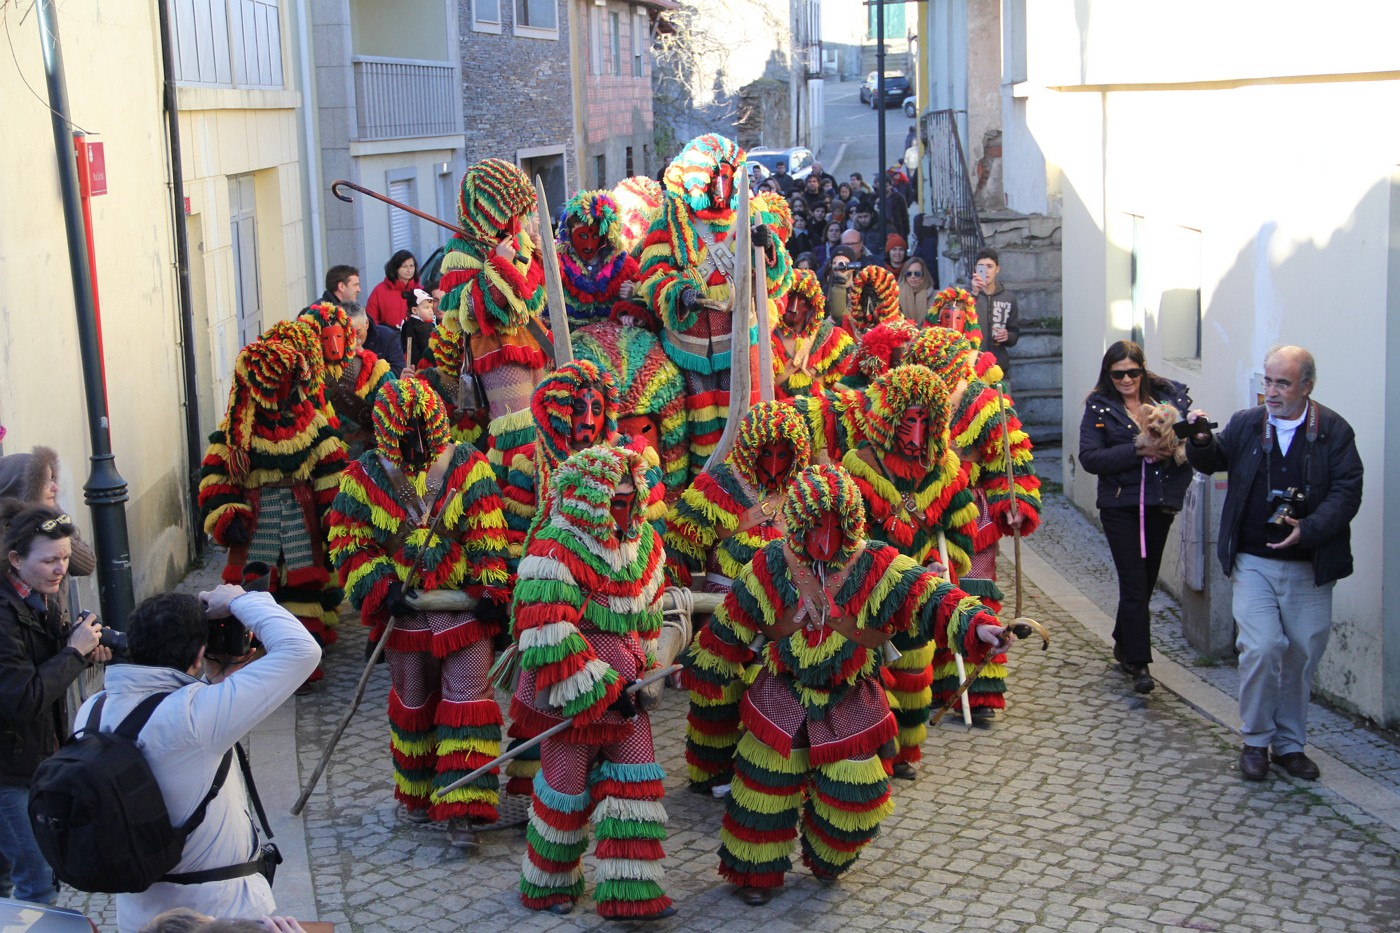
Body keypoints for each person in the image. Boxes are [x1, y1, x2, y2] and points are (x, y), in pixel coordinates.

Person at [684, 464, 1009, 905]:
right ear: (800, 520)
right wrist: (707, 666)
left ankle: (827, 856)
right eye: (818, 522)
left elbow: (931, 594)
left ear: (852, 520)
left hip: (850, 693)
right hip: (782, 688)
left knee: (855, 796)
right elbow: (734, 618)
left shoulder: (878, 562)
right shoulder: (772, 561)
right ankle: (754, 875)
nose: (827, 533)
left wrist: (979, 625)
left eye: (838, 523)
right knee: (762, 790)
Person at [75, 580, 319, 931]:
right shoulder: (194, 717)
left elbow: (167, 735)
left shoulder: (92, 710)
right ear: (198, 656)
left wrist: (214, 680)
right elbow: (301, 650)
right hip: (217, 914)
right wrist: (242, 600)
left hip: (138, 912)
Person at [327, 379, 511, 841]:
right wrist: (378, 586)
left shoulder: (470, 466)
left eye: (425, 437)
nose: (418, 447)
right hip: (405, 617)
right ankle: (420, 790)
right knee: (414, 703)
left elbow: (488, 529)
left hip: (464, 613)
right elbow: (350, 543)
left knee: (468, 700)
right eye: (407, 438)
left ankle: (464, 803)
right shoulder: (361, 479)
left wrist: (491, 588)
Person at [510, 446, 675, 920]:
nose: (623, 513)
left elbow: (649, 615)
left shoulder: (646, 545)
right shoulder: (554, 549)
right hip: (569, 691)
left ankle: (631, 893)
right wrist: (599, 692)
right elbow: (547, 634)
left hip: (627, 688)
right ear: (591, 499)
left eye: (629, 501)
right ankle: (549, 884)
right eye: (614, 502)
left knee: (634, 780)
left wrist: (645, 669)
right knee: (565, 785)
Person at [1185, 346, 1362, 782]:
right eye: (1267, 381)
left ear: (1307, 385)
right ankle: (1256, 741)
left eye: (1282, 383)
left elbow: (1347, 492)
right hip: (1254, 561)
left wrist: (1311, 528)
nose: (1271, 391)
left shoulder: (1334, 431)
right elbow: (1213, 461)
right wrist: (1201, 440)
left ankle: (1289, 745)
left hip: (1309, 563)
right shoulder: (1248, 423)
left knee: (1301, 653)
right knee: (1261, 648)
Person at [635, 134, 793, 476]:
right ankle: (706, 484)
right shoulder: (672, 220)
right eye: (713, 177)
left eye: (726, 176)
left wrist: (767, 251)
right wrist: (679, 293)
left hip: (742, 336)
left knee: (749, 415)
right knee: (700, 423)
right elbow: (652, 273)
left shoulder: (752, 215)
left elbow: (779, 278)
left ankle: (752, 479)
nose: (720, 186)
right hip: (690, 343)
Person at [0, 505, 111, 905]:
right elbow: (22, 698)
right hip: (8, 772)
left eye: (64, 558)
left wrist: (81, 650)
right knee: (37, 880)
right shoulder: (4, 613)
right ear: (16, 560)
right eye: (49, 560)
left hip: (32, 758)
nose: (60, 568)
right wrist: (72, 655)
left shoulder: (38, 596)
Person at [1078, 341, 1193, 695]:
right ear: (1108, 374)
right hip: (1119, 505)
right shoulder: (1099, 407)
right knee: (1133, 581)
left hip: (1158, 503)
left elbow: (1186, 437)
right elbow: (1091, 458)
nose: (1126, 379)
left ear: (1142, 370)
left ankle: (1121, 639)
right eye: (1118, 374)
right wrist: (1136, 449)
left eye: (1132, 372)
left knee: (1145, 577)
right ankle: (1140, 663)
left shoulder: (1169, 398)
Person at [0, 446, 96, 626]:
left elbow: (87, 564)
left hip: (54, 625)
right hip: (20, 632)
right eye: (45, 482)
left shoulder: (53, 516)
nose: (55, 487)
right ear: (23, 489)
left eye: (53, 478)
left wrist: (51, 524)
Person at [971, 247, 1020, 376]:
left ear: (997, 269)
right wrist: (974, 293)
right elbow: (959, 322)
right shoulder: (966, 296)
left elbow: (1014, 333)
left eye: (990, 266)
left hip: (998, 366)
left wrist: (1007, 336)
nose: (985, 271)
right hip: (971, 366)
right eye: (981, 267)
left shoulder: (1009, 298)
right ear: (975, 269)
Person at [346, 303, 406, 377]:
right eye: (348, 333)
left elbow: (398, 370)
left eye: (357, 332)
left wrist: (367, 359)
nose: (353, 337)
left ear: (366, 324)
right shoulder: (337, 342)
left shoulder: (387, 337)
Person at [365, 250, 419, 330]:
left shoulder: (420, 290)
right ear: (396, 268)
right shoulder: (380, 291)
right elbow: (371, 317)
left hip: (414, 338)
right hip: (388, 338)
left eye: (411, 266)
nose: (409, 270)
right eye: (404, 266)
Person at [399, 288, 437, 369]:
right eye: (426, 308)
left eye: (431, 307)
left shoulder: (407, 324)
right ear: (414, 310)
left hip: (410, 364)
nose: (431, 311)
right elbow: (427, 348)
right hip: (421, 366)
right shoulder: (422, 327)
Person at [897, 257, 935, 323]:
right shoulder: (896, 295)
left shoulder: (934, 296)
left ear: (923, 275)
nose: (913, 276)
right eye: (909, 274)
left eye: (917, 274)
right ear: (905, 276)